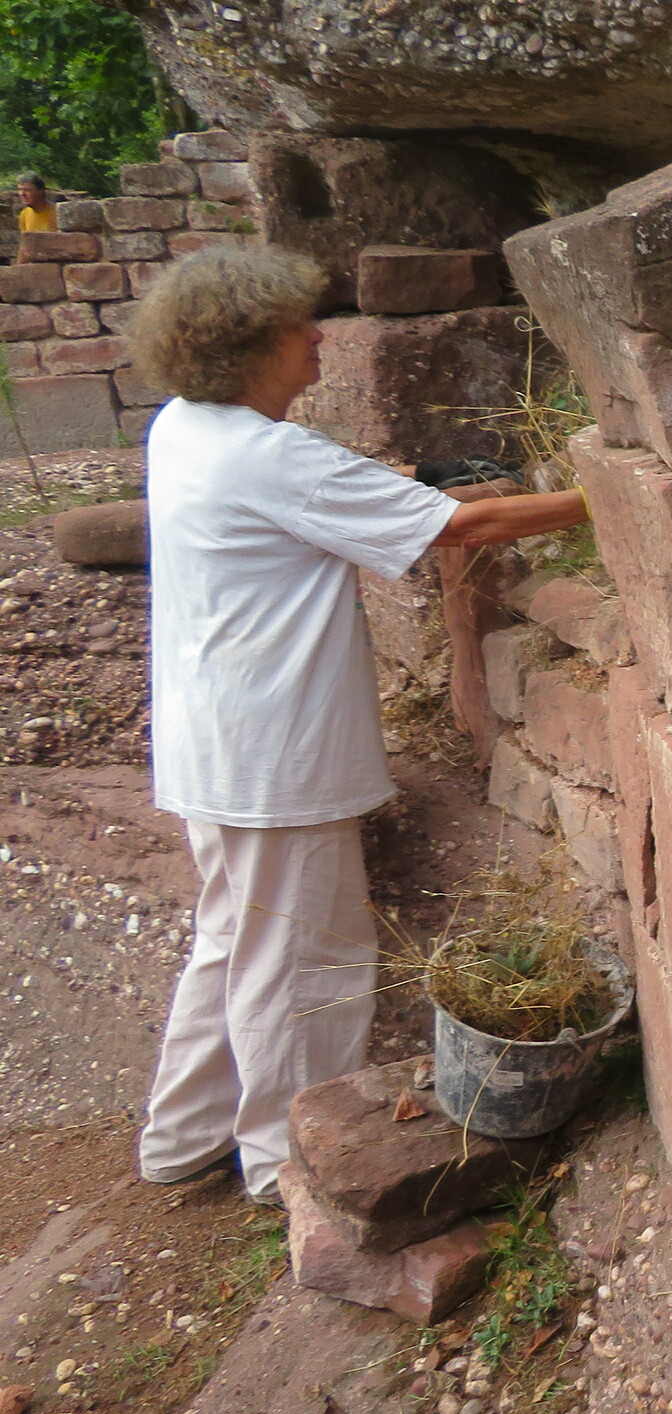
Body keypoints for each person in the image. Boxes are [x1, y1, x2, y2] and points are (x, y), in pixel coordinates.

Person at [127, 243, 591, 1204]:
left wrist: (427, 480)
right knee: (305, 964)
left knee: (235, 941)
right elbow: (459, 528)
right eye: (297, 327)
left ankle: (181, 1138)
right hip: (274, 755)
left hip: (213, 745)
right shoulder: (269, 457)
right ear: (246, 348)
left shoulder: (182, 428)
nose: (318, 338)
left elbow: (332, 497)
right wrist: (606, 497)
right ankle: (290, 1164)